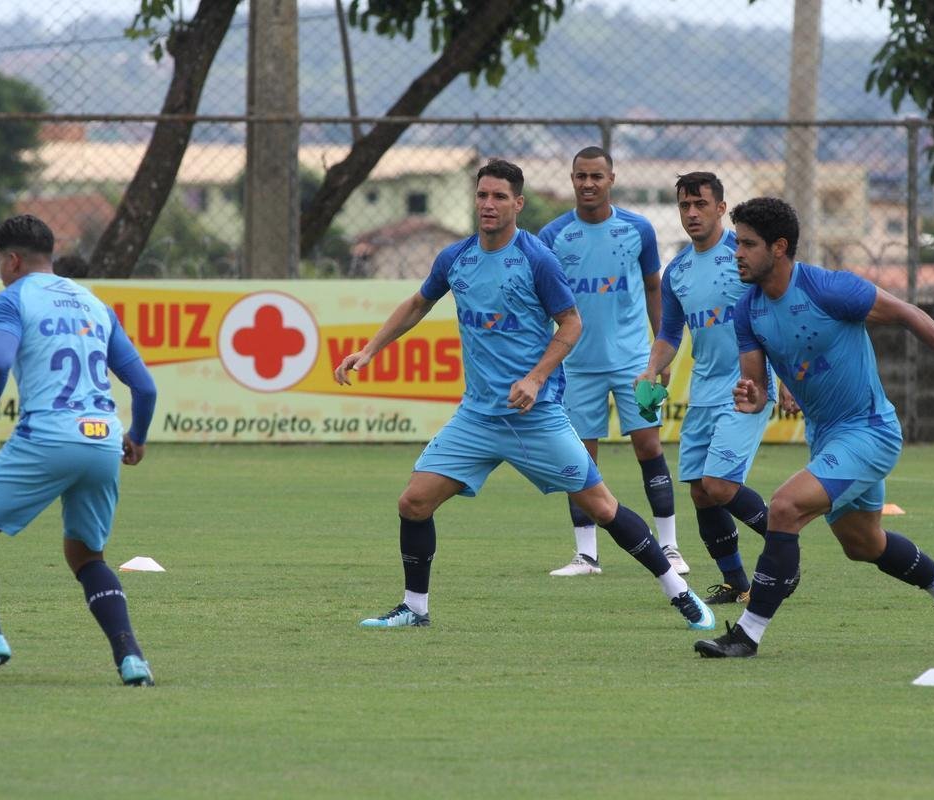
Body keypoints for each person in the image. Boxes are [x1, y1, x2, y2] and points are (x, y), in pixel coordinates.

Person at [334, 159, 715, 632]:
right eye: (482, 195)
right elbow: (418, 303)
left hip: (536, 418)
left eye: (499, 197)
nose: (488, 204)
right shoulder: (456, 258)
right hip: (478, 418)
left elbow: (572, 323)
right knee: (413, 502)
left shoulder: (537, 258)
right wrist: (369, 350)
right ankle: (414, 607)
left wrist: (535, 377)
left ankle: (680, 593)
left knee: (602, 506)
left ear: (517, 203)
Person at [694, 196, 934, 658]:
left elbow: (909, 314)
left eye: (748, 244)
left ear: (779, 248)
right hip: (827, 438)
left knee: (784, 507)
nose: (737, 253)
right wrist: (753, 397)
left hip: (869, 431)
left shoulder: (829, 289)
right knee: (863, 544)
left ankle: (747, 635)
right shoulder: (747, 311)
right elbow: (755, 388)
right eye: (737, 243)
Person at [0, 215, 158, 686]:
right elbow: (144, 386)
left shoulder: (11, 299)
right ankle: (132, 658)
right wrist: (136, 437)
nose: (0, 269)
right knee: (87, 559)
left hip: (48, 437)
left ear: (14, 260)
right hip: (103, 441)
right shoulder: (95, 304)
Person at [537, 146, 683, 577]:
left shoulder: (638, 229)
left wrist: (662, 349)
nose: (588, 183)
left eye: (596, 176)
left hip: (635, 362)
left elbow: (655, 289)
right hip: (576, 365)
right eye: (581, 176)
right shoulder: (553, 236)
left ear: (611, 179)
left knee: (650, 446)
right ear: (572, 179)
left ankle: (671, 548)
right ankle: (586, 555)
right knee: (580, 457)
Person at [637, 172, 780, 608]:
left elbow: (780, 315)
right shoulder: (676, 270)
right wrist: (650, 370)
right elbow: (670, 334)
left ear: (721, 208)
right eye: (684, 205)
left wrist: (789, 379)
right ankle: (736, 582)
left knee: (719, 484)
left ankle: (783, 542)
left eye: (700, 204)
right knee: (701, 490)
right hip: (703, 391)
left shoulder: (745, 256)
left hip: (746, 387)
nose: (692, 213)